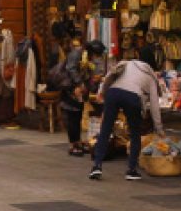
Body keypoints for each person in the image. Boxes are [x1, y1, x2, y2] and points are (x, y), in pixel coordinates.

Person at [89, 50, 165, 181]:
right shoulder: (151, 76)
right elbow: (154, 105)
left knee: (105, 130)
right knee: (135, 133)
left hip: (113, 93)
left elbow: (110, 75)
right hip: (132, 97)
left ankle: (97, 166)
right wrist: (159, 129)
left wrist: (101, 91)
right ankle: (131, 170)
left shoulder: (126, 64)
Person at [59, 39, 88, 156]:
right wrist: (79, 83)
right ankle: (72, 144)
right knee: (72, 115)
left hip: (75, 89)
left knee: (78, 115)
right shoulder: (76, 54)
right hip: (70, 88)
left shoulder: (82, 55)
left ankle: (77, 142)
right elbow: (71, 69)